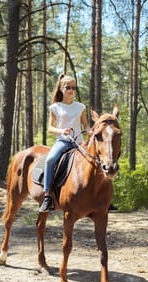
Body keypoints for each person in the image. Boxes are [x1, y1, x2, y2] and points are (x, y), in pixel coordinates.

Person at [39, 74, 90, 213]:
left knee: (96, 161)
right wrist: (62, 130)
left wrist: (90, 132)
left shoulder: (80, 107)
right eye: (68, 87)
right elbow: (50, 128)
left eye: (73, 88)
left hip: (79, 143)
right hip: (62, 142)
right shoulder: (55, 107)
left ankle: (101, 198)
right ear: (61, 89)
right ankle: (47, 195)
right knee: (50, 160)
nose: (71, 90)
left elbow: (86, 125)